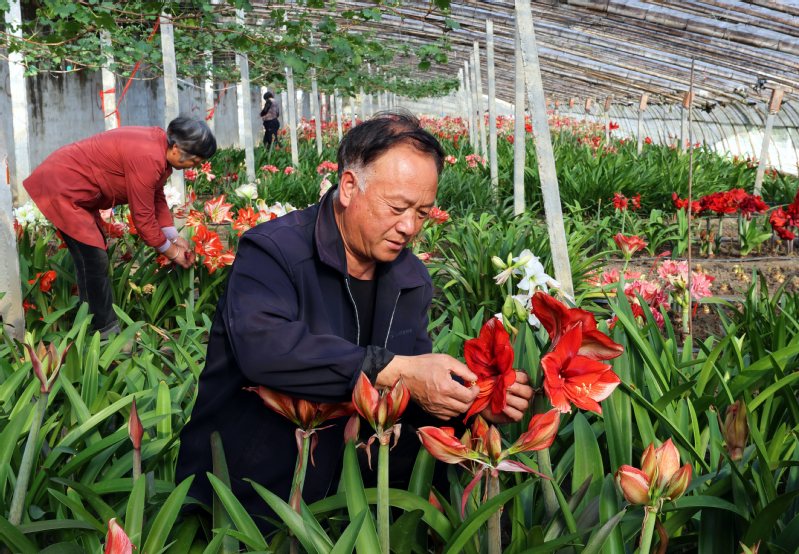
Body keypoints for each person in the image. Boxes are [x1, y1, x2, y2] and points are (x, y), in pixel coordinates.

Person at [176, 110, 533, 529]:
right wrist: (393, 369)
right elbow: (266, 350)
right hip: (252, 494)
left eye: (423, 212)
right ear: (348, 187)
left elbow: (409, 396)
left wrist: (473, 404)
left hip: (358, 494)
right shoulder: (273, 251)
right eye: (397, 207)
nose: (409, 227)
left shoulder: (411, 278)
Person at [23, 115, 216, 338]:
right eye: (195, 161)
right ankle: (103, 333)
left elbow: (156, 196)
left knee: (91, 258)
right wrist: (173, 253)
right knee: (93, 258)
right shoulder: (148, 156)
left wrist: (174, 237)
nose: (195, 166)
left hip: (79, 191)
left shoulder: (159, 146)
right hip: (64, 187)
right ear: (176, 148)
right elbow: (143, 220)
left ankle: (92, 329)